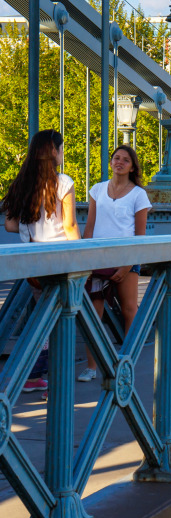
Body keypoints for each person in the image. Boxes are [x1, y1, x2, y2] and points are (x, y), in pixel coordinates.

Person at [1, 130, 79, 396]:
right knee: (62, 320)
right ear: (53, 152)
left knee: (43, 318)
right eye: (61, 148)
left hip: (32, 262)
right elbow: (69, 225)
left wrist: (31, 227)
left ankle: (33, 376)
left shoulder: (21, 184)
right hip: (59, 260)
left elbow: (10, 225)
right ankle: (56, 383)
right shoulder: (63, 182)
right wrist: (83, 258)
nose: (62, 153)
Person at [78, 145, 152, 382]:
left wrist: (128, 265)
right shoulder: (97, 189)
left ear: (132, 167)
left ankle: (128, 360)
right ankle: (92, 367)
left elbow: (139, 235)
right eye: (116, 158)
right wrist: (85, 259)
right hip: (98, 259)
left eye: (125, 160)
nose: (119, 162)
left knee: (129, 309)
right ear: (111, 162)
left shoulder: (139, 195)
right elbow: (89, 226)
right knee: (93, 313)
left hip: (125, 258)